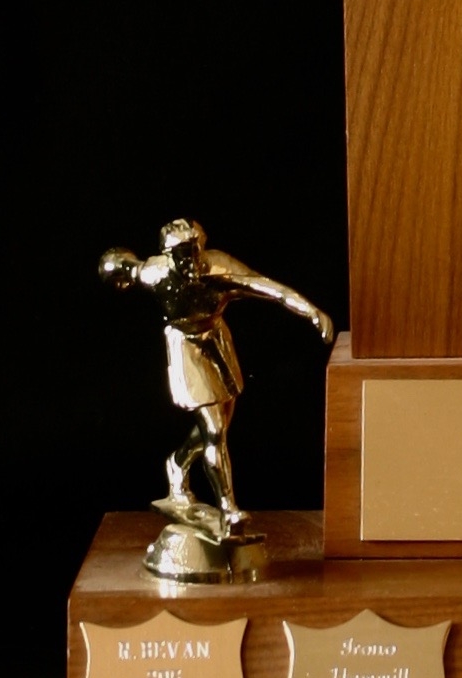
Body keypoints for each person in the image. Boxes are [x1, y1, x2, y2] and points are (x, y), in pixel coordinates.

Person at [101, 219, 333, 531]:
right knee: (214, 431)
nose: (191, 262)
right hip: (185, 348)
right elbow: (127, 268)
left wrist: (311, 312)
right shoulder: (155, 274)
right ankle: (228, 507)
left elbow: (267, 287)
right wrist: (114, 268)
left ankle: (177, 463)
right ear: (169, 256)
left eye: (195, 252)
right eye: (182, 255)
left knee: (220, 424)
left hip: (216, 342)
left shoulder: (219, 268)